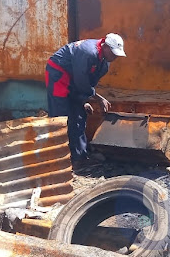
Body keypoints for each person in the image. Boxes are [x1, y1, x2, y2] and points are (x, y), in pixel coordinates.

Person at [45, 33, 125, 165]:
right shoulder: (88, 52)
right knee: (60, 117)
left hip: (74, 79)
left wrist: (84, 101)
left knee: (79, 116)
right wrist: (96, 99)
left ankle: (79, 157)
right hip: (58, 74)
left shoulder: (104, 64)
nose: (115, 57)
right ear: (105, 46)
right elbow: (81, 82)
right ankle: (58, 158)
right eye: (113, 53)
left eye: (117, 54)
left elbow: (88, 84)